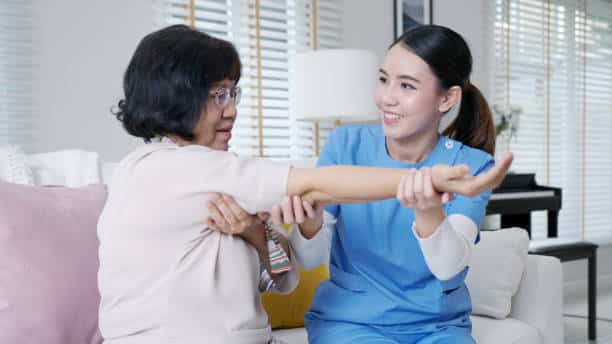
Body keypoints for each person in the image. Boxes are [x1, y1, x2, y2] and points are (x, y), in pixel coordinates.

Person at [98, 25, 511, 344]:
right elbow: (313, 187)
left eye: (233, 94)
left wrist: (258, 236)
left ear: (446, 98)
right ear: (178, 97)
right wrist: (427, 182)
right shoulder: (176, 169)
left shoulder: (221, 175)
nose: (233, 110)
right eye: (219, 95)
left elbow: (285, 277)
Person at [211, 25, 500, 343]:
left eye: (406, 86)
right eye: (383, 79)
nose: (386, 97)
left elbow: (448, 268)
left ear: (446, 98)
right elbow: (307, 260)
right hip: (351, 323)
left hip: (439, 328)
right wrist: (311, 224)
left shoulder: (469, 166)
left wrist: (429, 211)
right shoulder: (345, 145)